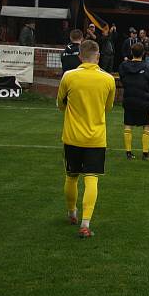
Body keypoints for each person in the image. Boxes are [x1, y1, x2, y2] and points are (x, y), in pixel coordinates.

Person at [56, 40, 116, 238]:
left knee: (71, 176)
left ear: (79, 57)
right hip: (96, 138)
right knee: (92, 179)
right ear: (97, 57)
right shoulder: (108, 79)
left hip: (72, 137)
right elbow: (108, 108)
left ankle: (72, 213)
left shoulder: (69, 76)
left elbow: (61, 104)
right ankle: (85, 223)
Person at [118, 42, 149, 161]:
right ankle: (145, 154)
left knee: (128, 124)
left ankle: (128, 153)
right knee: (147, 124)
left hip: (129, 98)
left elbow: (122, 79)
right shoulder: (148, 67)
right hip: (143, 99)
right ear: (144, 53)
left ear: (131, 52)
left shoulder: (124, 66)